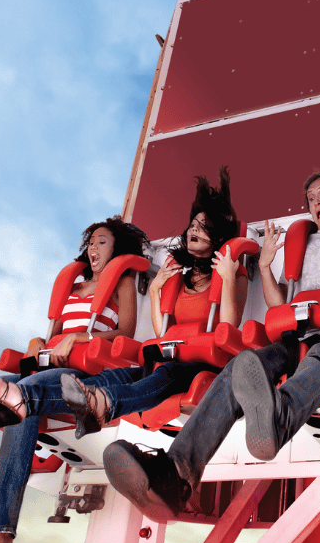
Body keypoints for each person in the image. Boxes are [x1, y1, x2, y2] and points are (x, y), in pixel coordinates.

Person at [102, 171, 320, 523]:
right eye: (310, 198)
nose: (316, 202)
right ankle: (176, 474)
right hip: (295, 336)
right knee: (241, 367)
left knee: (318, 359)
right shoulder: (300, 241)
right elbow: (279, 306)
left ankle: (278, 419)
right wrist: (265, 266)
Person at [0, 216, 147, 543]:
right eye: (91, 243)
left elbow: (126, 332)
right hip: (46, 368)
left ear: (118, 249)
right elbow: (50, 336)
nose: (93, 249)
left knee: (22, 397)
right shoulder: (73, 287)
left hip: (84, 370)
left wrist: (81, 340)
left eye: (102, 242)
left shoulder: (122, 283)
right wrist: (38, 342)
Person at [55, 167, 248, 436]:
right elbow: (162, 333)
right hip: (174, 358)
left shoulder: (232, 271)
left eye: (203, 227)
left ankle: (104, 406)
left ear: (217, 237)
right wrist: (156, 289)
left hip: (207, 362)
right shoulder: (180, 277)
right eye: (193, 224)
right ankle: (88, 398)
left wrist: (227, 278)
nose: (194, 229)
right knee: (128, 374)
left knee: (166, 374)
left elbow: (228, 325)